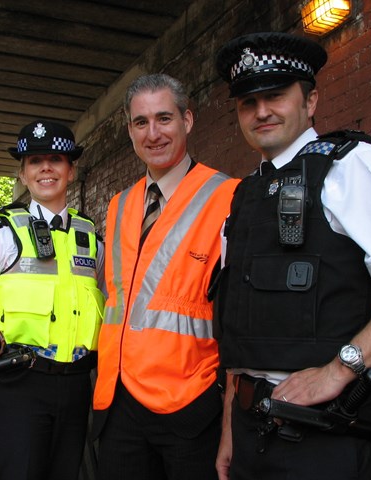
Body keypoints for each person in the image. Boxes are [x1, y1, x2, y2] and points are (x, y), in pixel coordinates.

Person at [213, 32, 371, 479]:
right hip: (250, 428)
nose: (261, 111)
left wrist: (340, 370)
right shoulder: (245, 195)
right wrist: (231, 423)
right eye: (248, 102)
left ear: (311, 101)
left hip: (321, 433)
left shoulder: (352, 165)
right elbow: (243, 326)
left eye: (275, 96)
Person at [92, 73, 240, 480]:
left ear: (187, 121)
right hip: (120, 402)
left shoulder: (229, 197)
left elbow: (238, 313)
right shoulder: (119, 206)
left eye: (164, 119)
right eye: (141, 123)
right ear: (130, 130)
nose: (153, 133)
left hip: (191, 407)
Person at [0, 119, 105, 480]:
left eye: (56, 160)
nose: (46, 167)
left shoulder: (91, 239)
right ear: (24, 174)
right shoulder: (1, 233)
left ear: (70, 171)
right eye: (35, 161)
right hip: (16, 385)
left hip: (74, 385)